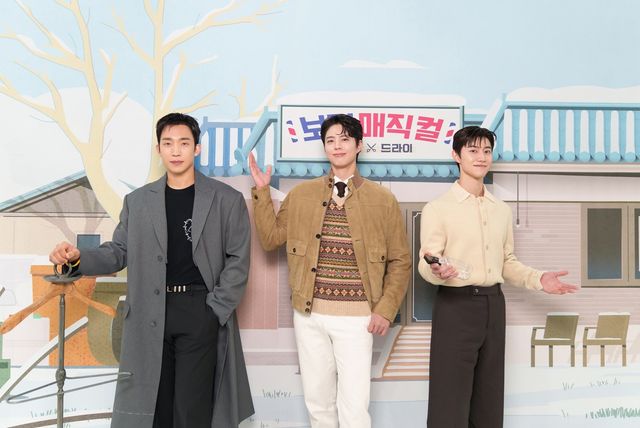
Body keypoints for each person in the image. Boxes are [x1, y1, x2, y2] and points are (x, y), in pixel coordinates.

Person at [49, 113, 253, 428]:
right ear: (158, 149)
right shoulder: (138, 201)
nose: (176, 151)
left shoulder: (226, 200)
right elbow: (118, 252)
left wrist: (215, 310)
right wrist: (76, 259)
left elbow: (238, 259)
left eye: (184, 143)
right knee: (155, 409)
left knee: (192, 410)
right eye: (168, 143)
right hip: (149, 313)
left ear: (197, 148)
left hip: (200, 310)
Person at [249, 114, 411, 427]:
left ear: (359, 145)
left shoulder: (382, 200)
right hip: (309, 316)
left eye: (345, 139)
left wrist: (385, 309)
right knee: (318, 404)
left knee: (354, 408)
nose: (337, 146)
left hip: (358, 319)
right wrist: (262, 192)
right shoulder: (302, 195)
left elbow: (400, 260)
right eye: (330, 140)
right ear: (324, 147)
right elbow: (270, 239)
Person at [417, 125, 579, 428]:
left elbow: (506, 263)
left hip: (493, 305)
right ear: (456, 155)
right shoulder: (438, 209)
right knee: (448, 400)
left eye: (487, 151)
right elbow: (427, 261)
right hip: (455, 305)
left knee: (489, 400)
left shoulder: (501, 210)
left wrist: (538, 279)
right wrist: (437, 270)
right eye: (473, 150)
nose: (481, 157)